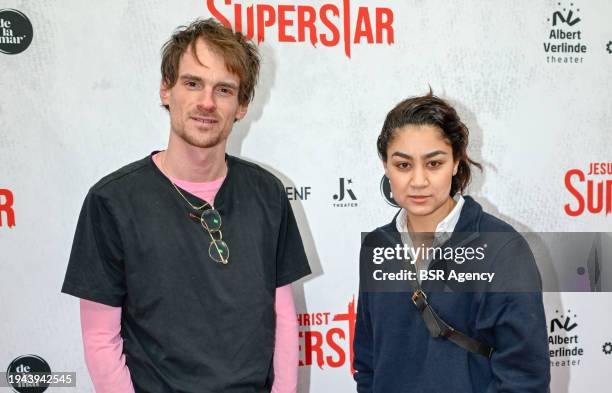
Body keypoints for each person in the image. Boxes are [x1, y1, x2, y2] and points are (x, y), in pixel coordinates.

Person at [62, 18, 311, 393]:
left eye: (224, 90)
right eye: (192, 83)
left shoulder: (268, 194)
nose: (206, 102)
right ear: (166, 90)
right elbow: (100, 339)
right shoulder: (112, 202)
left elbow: (283, 317)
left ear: (242, 106)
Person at [353, 92, 550, 393]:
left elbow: (524, 378)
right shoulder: (376, 247)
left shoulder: (502, 248)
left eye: (433, 164)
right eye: (404, 165)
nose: (418, 181)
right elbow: (369, 363)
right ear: (385, 166)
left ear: (456, 162)